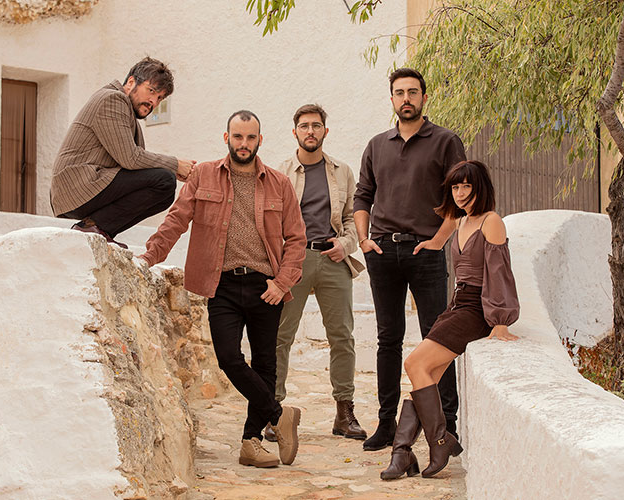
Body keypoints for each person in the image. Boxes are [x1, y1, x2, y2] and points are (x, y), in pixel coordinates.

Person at [139, 110, 307, 468]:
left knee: (265, 364)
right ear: (226, 138)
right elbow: (176, 220)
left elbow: (296, 239)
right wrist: (149, 256)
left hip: (265, 286)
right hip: (222, 283)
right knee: (229, 358)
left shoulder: (279, 183)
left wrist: (282, 283)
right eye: (238, 137)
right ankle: (279, 414)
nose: (244, 144)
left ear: (259, 140)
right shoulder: (203, 175)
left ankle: (251, 442)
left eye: (250, 137)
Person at [380, 159, 519, 480]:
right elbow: (445, 247)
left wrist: (500, 320)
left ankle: (439, 442)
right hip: (457, 305)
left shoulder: (491, 221)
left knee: (414, 364)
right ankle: (403, 453)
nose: (460, 193)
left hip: (476, 310)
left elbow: (499, 272)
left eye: (466, 185)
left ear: (480, 187)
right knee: (425, 376)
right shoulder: (461, 221)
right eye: (455, 187)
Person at [354, 68, 467, 451]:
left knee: (438, 337)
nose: (406, 98)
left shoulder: (446, 141)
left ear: (424, 97)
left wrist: (438, 241)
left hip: (425, 252)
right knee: (388, 339)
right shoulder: (376, 145)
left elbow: (460, 197)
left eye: (413, 92)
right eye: (399, 92)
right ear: (392, 99)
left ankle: (447, 427)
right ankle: (386, 424)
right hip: (383, 252)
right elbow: (363, 195)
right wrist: (364, 240)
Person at [266, 104, 367, 443]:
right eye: (304, 126)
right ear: (295, 132)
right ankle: (272, 413)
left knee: (342, 337)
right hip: (293, 261)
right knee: (280, 337)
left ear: (325, 131)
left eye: (316, 126)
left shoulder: (342, 171)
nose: (310, 131)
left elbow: (352, 216)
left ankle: (344, 413)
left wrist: (346, 244)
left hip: (332, 258)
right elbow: (269, 222)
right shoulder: (280, 173)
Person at [50, 56, 195, 248]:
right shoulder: (112, 99)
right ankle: (92, 228)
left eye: (160, 98)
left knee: (165, 192)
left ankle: (99, 230)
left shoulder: (127, 113)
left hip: (89, 185)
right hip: (78, 186)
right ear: (131, 82)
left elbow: (137, 166)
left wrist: (172, 169)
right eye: (151, 90)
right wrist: (175, 164)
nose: (153, 101)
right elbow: (130, 159)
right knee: (163, 180)